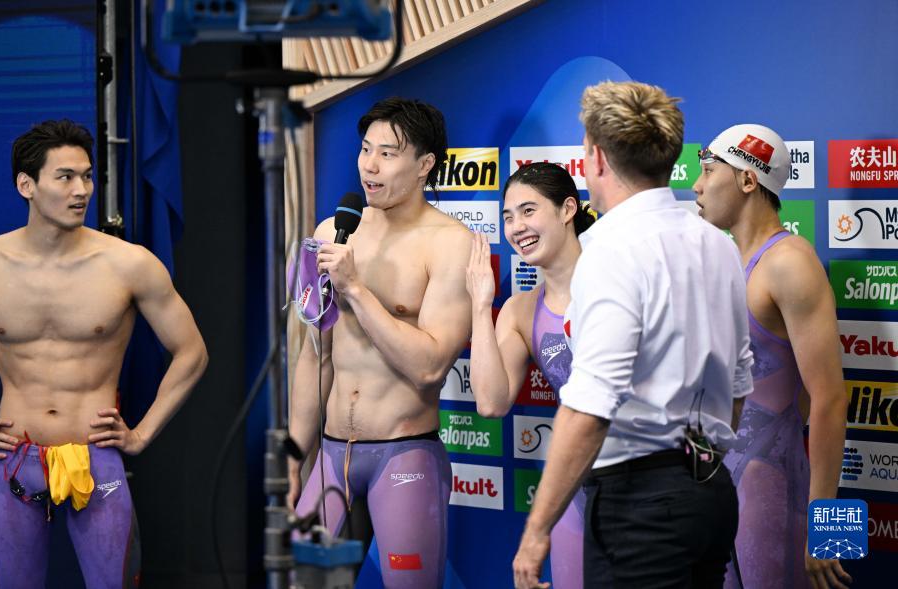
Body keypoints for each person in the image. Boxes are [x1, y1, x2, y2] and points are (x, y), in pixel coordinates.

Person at [0, 119, 208, 589]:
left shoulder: (129, 264)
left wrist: (141, 433)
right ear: (26, 185)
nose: (82, 190)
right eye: (66, 177)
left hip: (96, 460)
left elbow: (191, 352)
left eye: (88, 176)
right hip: (16, 459)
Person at [512, 81, 753, 589]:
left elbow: (590, 406)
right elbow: (737, 386)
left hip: (641, 507)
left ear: (598, 159)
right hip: (710, 493)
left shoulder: (609, 250)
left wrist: (535, 533)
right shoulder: (718, 244)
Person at [287, 97, 472, 588]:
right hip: (331, 456)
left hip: (404, 455)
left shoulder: (451, 242)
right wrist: (295, 454)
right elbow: (315, 355)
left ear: (425, 164)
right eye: (366, 149)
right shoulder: (333, 232)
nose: (369, 165)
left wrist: (355, 289)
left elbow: (430, 366)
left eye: (387, 154)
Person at [694, 124, 850, 589]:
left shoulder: (790, 262)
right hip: (719, 482)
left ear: (748, 179)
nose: (696, 186)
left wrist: (828, 534)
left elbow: (830, 399)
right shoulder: (728, 261)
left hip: (772, 485)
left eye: (709, 171)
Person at [464, 162, 594, 588]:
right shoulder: (521, 310)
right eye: (507, 217)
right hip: (573, 489)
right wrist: (481, 305)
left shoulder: (617, 284)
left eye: (528, 211)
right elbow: (491, 402)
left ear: (567, 209)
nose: (516, 227)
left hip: (644, 482)